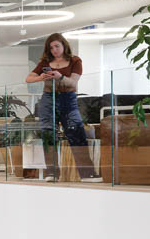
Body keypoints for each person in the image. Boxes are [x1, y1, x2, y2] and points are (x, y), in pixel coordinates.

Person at [24, 33, 97, 181]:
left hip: (67, 99)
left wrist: (60, 77)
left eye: (57, 46)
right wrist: (41, 77)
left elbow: (73, 83)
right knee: (48, 135)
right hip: (48, 99)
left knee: (76, 133)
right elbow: (28, 78)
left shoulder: (75, 61)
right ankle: (52, 173)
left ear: (64, 45)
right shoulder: (45, 62)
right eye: (51, 48)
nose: (54, 50)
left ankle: (87, 173)